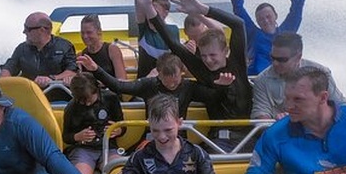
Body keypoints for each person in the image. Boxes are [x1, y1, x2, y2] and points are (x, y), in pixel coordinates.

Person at [131, 0, 253, 150]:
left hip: (250, 132)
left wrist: (203, 10)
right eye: (203, 56)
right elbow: (172, 43)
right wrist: (148, 7)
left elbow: (238, 24)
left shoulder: (237, 63)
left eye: (212, 55)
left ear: (225, 52)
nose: (208, 60)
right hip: (219, 138)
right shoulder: (201, 69)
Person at [77, 51, 233, 119]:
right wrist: (96, 70)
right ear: (158, 73)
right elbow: (119, 86)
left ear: (182, 73)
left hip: (179, 137)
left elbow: (214, 98)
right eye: (167, 79)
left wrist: (222, 86)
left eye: (175, 79)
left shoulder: (188, 87)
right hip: (152, 137)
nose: (172, 84)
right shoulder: (149, 85)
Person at [62, 72, 125, 174]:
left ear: (97, 90)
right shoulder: (71, 108)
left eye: (90, 99)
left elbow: (122, 125)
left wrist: (118, 130)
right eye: (83, 101)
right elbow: (66, 136)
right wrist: (78, 136)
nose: (87, 104)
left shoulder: (111, 99)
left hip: (108, 147)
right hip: (83, 150)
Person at [231, 0, 306, 75]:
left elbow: (298, 5)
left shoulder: (287, 31)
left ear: (275, 16)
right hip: (255, 80)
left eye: (268, 16)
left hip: (282, 81)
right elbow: (238, 8)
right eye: (260, 19)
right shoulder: (252, 33)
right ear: (257, 21)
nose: (265, 20)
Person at [252, 32, 346, 119]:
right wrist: (278, 126)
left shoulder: (321, 73)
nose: (275, 63)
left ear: (298, 57)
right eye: (272, 58)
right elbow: (260, 113)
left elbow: (342, 106)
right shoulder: (262, 79)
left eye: (282, 60)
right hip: (282, 133)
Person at [0, 11, 78, 101]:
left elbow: (73, 71)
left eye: (28, 29)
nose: (24, 32)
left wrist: (51, 78)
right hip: (30, 99)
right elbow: (9, 67)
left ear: (42, 30)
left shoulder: (64, 46)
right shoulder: (22, 49)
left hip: (59, 98)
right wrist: (3, 80)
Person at [79, 13, 127, 80]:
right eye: (82, 33)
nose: (85, 36)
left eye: (89, 32)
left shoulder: (112, 50)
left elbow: (122, 79)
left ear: (99, 32)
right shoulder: (81, 55)